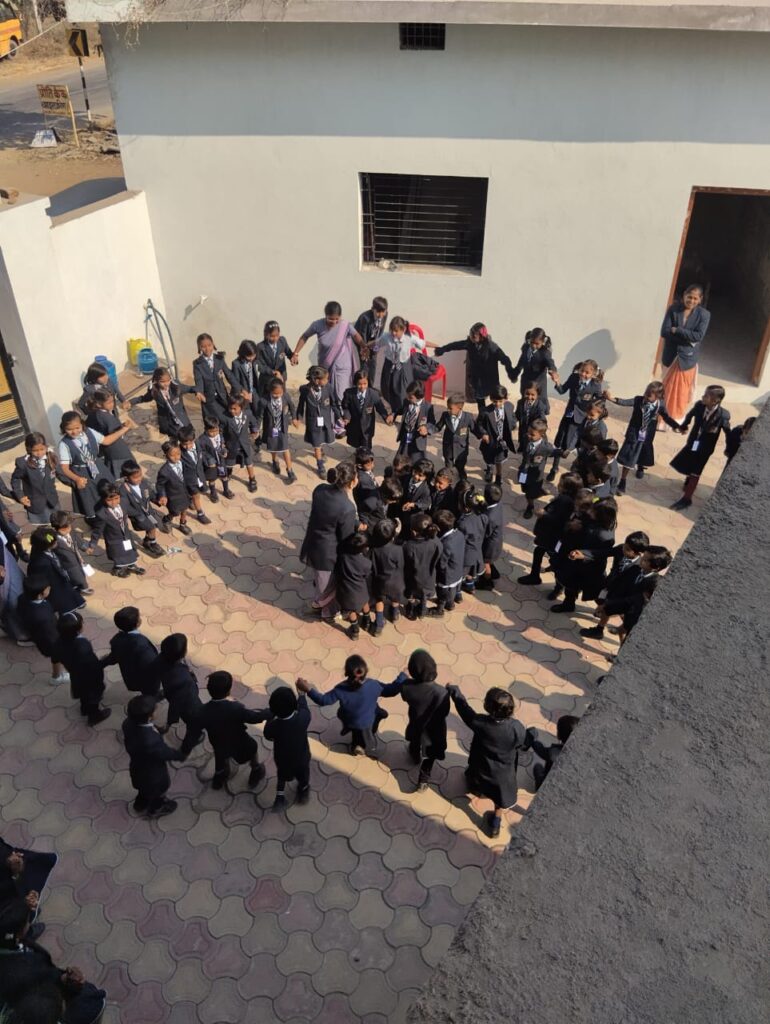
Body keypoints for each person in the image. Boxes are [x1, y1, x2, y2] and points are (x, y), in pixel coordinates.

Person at [0, 898, 106, 1024]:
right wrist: (65, 982)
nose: (29, 924)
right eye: (27, 923)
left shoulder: (12, 947)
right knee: (91, 1002)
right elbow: (44, 986)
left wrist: (63, 978)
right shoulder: (24, 972)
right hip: (44, 1003)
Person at [446, 684, 528, 838]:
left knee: (473, 776)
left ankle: (476, 788)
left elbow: (465, 710)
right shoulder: (516, 728)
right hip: (503, 775)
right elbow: (522, 743)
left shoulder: (480, 722)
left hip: (481, 766)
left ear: (488, 707)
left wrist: (455, 691)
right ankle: (495, 824)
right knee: (499, 799)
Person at [297, 655, 402, 757]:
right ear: (365, 671)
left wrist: (308, 689)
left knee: (357, 732)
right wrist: (403, 676)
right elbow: (392, 690)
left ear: (346, 673)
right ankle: (369, 749)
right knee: (368, 737)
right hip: (366, 721)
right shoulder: (374, 685)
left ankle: (355, 744)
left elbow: (323, 700)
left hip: (350, 720)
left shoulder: (340, 689)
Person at [182, 671, 269, 788]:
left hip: (219, 743)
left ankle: (219, 778)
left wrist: (185, 749)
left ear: (209, 690)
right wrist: (269, 712)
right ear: (228, 691)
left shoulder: (202, 711)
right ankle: (256, 770)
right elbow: (255, 718)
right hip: (240, 741)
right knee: (252, 748)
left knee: (221, 758)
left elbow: (193, 731)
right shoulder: (236, 708)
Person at [300, 461, 359, 620]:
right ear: (352, 482)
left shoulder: (319, 489)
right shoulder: (347, 507)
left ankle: (323, 607)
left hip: (314, 542)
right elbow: (345, 537)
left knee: (321, 581)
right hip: (329, 554)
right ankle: (326, 612)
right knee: (327, 586)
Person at [604, 381, 680, 493]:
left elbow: (666, 417)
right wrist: (611, 399)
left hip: (647, 436)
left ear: (658, 396)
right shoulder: (638, 400)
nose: (646, 396)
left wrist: (676, 426)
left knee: (643, 452)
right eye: (646, 392)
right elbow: (624, 402)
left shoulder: (660, 405)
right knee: (629, 457)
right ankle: (623, 481)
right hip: (634, 434)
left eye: (650, 394)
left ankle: (640, 466)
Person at [393, 650, 450, 792]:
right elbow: (444, 712)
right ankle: (423, 781)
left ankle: (414, 756)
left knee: (414, 742)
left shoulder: (407, 686)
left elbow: (404, 695)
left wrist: (403, 676)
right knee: (429, 757)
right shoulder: (442, 692)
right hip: (434, 732)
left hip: (416, 725)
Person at [551, 497, 617, 614]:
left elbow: (601, 553)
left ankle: (606, 610)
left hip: (589, 568)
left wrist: (583, 555)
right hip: (575, 564)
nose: (589, 512)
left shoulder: (605, 536)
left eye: (593, 511)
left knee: (596, 593)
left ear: (602, 516)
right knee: (570, 586)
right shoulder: (594, 520)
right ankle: (568, 604)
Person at [669, 384, 731, 510]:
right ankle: (688, 479)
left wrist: (729, 448)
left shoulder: (723, 415)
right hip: (694, 442)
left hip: (705, 449)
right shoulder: (699, 406)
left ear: (715, 400)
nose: (703, 397)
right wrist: (684, 426)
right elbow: (690, 415)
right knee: (690, 460)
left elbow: (728, 432)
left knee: (696, 471)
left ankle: (687, 499)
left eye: (706, 396)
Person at [122, 695, 183, 817]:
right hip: (153, 775)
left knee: (143, 789)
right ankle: (157, 808)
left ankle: (140, 804)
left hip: (137, 768)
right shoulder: (150, 741)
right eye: (155, 710)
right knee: (157, 793)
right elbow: (164, 752)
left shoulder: (127, 723)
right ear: (150, 716)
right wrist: (179, 755)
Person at [517, 472, 583, 586]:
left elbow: (558, 520)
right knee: (541, 551)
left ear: (566, 488)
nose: (558, 485)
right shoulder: (571, 499)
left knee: (552, 555)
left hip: (552, 535)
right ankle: (536, 575)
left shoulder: (564, 500)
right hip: (554, 535)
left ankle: (549, 580)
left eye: (560, 483)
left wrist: (543, 515)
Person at [293, 301, 365, 403]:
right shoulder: (317, 325)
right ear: (325, 315)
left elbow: (356, 336)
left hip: (342, 368)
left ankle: (341, 412)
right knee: (325, 396)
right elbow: (305, 336)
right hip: (324, 368)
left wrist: (363, 346)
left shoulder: (345, 326)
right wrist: (296, 353)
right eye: (331, 319)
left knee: (341, 395)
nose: (334, 322)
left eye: (337, 319)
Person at [434, 322, 516, 413]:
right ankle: (482, 416)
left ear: (482, 336)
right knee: (480, 401)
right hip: (478, 380)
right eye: (471, 334)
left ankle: (499, 416)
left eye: (474, 335)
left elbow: (505, 359)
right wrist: (442, 349)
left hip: (491, 379)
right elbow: (455, 345)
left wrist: (511, 372)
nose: (472, 336)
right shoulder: (470, 344)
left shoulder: (491, 346)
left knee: (497, 398)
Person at [659, 284, 711, 421]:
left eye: (695, 298)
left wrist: (678, 330)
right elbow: (665, 332)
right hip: (670, 356)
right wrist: (688, 340)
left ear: (700, 299)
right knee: (665, 390)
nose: (691, 301)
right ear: (684, 296)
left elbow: (698, 336)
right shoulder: (673, 309)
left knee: (681, 392)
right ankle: (661, 420)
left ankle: (676, 419)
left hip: (687, 359)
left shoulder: (704, 315)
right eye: (689, 297)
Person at [547, 359, 604, 480]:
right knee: (560, 440)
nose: (583, 374)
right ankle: (554, 468)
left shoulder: (595, 384)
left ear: (593, 374)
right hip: (569, 414)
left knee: (576, 443)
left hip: (582, 418)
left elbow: (600, 401)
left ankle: (578, 469)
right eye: (582, 371)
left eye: (587, 372)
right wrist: (557, 382)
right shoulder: (574, 377)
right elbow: (562, 390)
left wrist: (593, 410)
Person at [51, 612, 110, 725]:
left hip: (75, 675)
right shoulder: (83, 645)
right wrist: (104, 661)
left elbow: (55, 658)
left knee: (84, 694)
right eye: (82, 622)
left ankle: (84, 709)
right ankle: (94, 716)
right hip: (89, 677)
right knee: (93, 696)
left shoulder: (58, 642)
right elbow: (93, 665)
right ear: (78, 629)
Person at [56, 412, 114, 527]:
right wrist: (77, 479)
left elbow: (106, 440)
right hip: (82, 473)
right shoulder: (64, 444)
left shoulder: (89, 432)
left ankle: (110, 514)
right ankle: (95, 522)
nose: (74, 432)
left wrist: (123, 429)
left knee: (106, 491)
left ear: (82, 424)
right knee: (90, 499)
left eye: (77, 428)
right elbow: (64, 468)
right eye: (69, 429)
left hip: (98, 467)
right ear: (63, 429)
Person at [264, 686, 312, 811]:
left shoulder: (273, 726)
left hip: (282, 759)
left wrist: (270, 717)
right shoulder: (302, 719)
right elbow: (304, 709)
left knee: (282, 774)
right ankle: (303, 790)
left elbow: (267, 735)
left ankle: (279, 797)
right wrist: (301, 695)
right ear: (294, 706)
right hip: (301, 758)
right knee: (303, 775)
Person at [86, 483, 146, 579]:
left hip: (126, 536)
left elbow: (130, 510)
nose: (114, 502)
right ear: (103, 500)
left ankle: (131, 565)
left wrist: (140, 514)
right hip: (114, 540)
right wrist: (92, 544)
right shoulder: (102, 514)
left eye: (116, 498)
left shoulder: (124, 502)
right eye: (109, 500)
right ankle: (117, 569)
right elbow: (97, 530)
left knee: (129, 552)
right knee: (119, 555)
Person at [17, 577, 69, 685]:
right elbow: (51, 635)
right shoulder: (43, 617)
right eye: (47, 589)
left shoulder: (22, 598)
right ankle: (56, 677)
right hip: (49, 640)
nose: (49, 588)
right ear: (40, 595)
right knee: (57, 656)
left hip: (35, 632)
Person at [154, 633, 203, 740]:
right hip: (188, 704)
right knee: (194, 722)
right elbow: (176, 704)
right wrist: (171, 720)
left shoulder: (160, 659)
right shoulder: (184, 681)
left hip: (171, 688)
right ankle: (194, 738)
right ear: (183, 653)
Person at [102, 606, 160, 696]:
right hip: (147, 679)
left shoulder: (116, 640)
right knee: (150, 692)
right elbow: (152, 663)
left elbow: (114, 656)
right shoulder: (142, 646)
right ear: (137, 623)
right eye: (139, 617)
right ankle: (150, 699)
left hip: (132, 677)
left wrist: (102, 663)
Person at [295, 366, 341, 479]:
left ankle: (321, 451)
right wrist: (298, 418)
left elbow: (334, 403)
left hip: (325, 420)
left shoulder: (328, 388)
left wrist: (339, 417)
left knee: (322, 439)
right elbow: (301, 405)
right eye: (325, 379)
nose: (327, 380)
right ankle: (320, 465)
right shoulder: (305, 390)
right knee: (316, 443)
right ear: (316, 380)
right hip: (313, 421)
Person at [28, 527, 85, 615]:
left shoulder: (40, 549)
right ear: (46, 546)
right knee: (65, 606)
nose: (57, 542)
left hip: (60, 580)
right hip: (54, 587)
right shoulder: (41, 563)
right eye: (54, 542)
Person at [132, 366, 202, 437]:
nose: (166, 383)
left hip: (181, 417)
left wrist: (197, 391)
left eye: (168, 380)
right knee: (173, 436)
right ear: (156, 381)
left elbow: (189, 388)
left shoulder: (176, 387)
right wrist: (131, 402)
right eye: (162, 381)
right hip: (167, 421)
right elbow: (144, 398)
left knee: (189, 435)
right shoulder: (154, 391)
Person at [117, 460, 167, 555]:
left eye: (140, 475)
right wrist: (137, 513)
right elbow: (125, 507)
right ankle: (152, 543)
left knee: (153, 525)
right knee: (152, 527)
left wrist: (157, 500)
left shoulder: (143, 483)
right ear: (126, 478)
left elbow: (150, 494)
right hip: (138, 516)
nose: (139, 479)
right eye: (135, 477)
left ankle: (148, 540)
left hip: (149, 511)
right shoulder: (123, 490)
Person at [377, 316, 426, 411]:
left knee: (403, 389)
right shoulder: (386, 337)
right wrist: (367, 347)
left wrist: (438, 347)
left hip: (403, 367)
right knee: (389, 387)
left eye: (396, 331)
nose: (393, 333)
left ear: (403, 329)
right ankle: (393, 408)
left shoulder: (409, 338)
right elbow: (377, 344)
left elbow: (423, 344)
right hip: (389, 365)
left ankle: (404, 408)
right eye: (392, 330)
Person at [84, 389, 136, 478]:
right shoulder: (105, 417)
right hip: (117, 452)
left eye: (113, 401)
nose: (112, 404)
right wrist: (125, 428)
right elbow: (109, 438)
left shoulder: (96, 413)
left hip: (110, 453)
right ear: (99, 404)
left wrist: (121, 426)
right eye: (109, 402)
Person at [11, 433, 60, 525]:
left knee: (57, 523)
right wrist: (20, 496)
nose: (39, 453)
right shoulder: (23, 464)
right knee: (44, 528)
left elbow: (60, 474)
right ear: (29, 449)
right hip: (35, 504)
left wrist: (74, 482)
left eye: (42, 449)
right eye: (35, 450)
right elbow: (15, 479)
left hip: (52, 501)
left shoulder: (51, 458)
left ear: (46, 447)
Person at [256, 378, 297, 484]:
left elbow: (292, 407)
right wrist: (256, 429)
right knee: (273, 446)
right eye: (275, 394)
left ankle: (290, 471)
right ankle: (275, 461)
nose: (278, 395)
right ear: (270, 391)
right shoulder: (264, 400)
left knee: (285, 448)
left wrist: (294, 418)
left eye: (280, 393)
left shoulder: (286, 396)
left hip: (282, 427)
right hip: (271, 428)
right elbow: (259, 416)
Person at [341, 369, 392, 452]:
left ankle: (366, 455)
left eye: (365, 384)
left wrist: (386, 416)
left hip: (367, 425)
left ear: (368, 382)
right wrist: (347, 417)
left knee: (367, 443)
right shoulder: (349, 393)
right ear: (355, 383)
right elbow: (345, 407)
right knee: (356, 442)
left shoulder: (373, 394)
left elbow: (380, 407)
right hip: (355, 424)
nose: (362, 387)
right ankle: (358, 452)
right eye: (359, 384)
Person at [193, 332, 239, 425]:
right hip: (208, 398)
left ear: (213, 344)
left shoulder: (219, 359)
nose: (207, 349)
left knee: (227, 419)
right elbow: (198, 380)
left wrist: (239, 389)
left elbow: (229, 375)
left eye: (209, 345)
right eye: (203, 346)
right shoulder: (197, 363)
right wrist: (199, 391)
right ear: (199, 347)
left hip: (222, 395)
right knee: (212, 423)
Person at [369, 517, 405, 633]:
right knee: (395, 598)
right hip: (396, 582)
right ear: (393, 535)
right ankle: (394, 615)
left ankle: (379, 624)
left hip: (380, 581)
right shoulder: (398, 550)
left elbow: (372, 566)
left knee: (379, 600)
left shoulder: (373, 550)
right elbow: (401, 566)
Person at [403, 512, 441, 621]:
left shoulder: (409, 546)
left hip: (414, 579)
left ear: (414, 532)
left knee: (411, 595)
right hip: (429, 577)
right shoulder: (436, 541)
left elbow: (406, 563)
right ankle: (422, 611)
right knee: (424, 596)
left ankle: (411, 611)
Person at [517, 418, 557, 519]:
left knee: (529, 495)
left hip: (535, 476)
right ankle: (539, 491)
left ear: (541, 435)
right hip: (524, 471)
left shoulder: (546, 447)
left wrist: (563, 453)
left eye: (532, 434)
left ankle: (530, 507)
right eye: (528, 432)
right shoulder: (526, 438)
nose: (528, 435)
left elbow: (555, 452)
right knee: (524, 488)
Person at [476, 384, 516, 485]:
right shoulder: (485, 411)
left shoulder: (509, 407)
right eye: (495, 401)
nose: (497, 404)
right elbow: (479, 424)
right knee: (489, 458)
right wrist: (483, 434)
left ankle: (498, 476)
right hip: (490, 441)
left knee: (499, 460)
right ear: (491, 399)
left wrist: (512, 425)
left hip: (502, 441)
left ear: (506, 398)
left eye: (500, 401)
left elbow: (513, 417)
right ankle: (489, 470)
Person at [336, 532, 373, 640]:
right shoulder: (366, 563)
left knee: (351, 611)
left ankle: (355, 630)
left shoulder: (343, 557)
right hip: (361, 590)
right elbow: (366, 575)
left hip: (347, 591)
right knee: (365, 603)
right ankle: (367, 621)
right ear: (364, 548)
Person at [510, 328, 558, 410]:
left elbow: (550, 363)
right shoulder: (525, 348)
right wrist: (516, 373)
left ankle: (541, 416)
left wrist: (553, 372)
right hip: (526, 380)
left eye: (537, 344)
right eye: (532, 342)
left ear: (542, 342)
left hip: (538, 382)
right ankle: (525, 413)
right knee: (525, 398)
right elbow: (521, 362)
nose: (533, 346)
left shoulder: (545, 352)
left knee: (540, 401)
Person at [527, 715, 578, 789]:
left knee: (537, 767)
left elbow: (541, 750)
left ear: (559, 735)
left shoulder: (554, 752)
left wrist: (533, 741)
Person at [49, 511, 93, 597]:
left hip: (78, 559)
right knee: (76, 577)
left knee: (80, 575)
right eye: (64, 529)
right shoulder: (54, 541)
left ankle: (80, 587)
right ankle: (83, 589)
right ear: (58, 529)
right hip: (68, 565)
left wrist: (85, 548)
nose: (68, 530)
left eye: (69, 527)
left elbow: (77, 540)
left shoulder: (71, 532)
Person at [430, 509, 465, 616]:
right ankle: (450, 602)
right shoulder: (459, 534)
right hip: (457, 570)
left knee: (443, 592)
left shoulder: (445, 544)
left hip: (447, 576)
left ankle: (441, 609)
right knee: (453, 589)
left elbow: (441, 564)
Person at [155, 442, 195, 535]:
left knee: (185, 509)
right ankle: (167, 519)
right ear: (166, 455)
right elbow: (160, 485)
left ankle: (182, 524)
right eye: (172, 455)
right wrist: (162, 496)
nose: (176, 457)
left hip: (185, 493)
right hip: (173, 497)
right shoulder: (164, 471)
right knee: (175, 512)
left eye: (178, 454)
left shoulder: (182, 462)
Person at [222, 395, 259, 493]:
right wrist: (222, 442)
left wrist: (255, 431)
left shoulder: (248, 414)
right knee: (229, 462)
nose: (232, 411)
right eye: (230, 408)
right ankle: (228, 473)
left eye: (235, 409)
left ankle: (252, 479)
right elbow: (221, 430)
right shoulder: (225, 417)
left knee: (249, 462)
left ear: (241, 408)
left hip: (245, 444)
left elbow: (254, 423)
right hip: (231, 445)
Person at [176, 426, 213, 524]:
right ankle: (200, 514)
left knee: (196, 493)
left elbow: (203, 454)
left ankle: (191, 500)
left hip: (200, 476)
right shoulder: (178, 452)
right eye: (184, 444)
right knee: (196, 495)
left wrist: (207, 462)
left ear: (194, 439)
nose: (187, 447)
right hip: (189, 480)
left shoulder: (198, 444)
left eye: (190, 443)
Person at [436, 394, 476, 480]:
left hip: (461, 448)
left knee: (460, 465)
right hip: (448, 446)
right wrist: (428, 429)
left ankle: (462, 476)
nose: (448, 410)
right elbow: (438, 426)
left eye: (450, 408)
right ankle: (448, 479)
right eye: (448, 408)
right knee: (448, 465)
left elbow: (475, 429)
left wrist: (483, 434)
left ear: (459, 408)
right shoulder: (445, 415)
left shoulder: (468, 417)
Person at [394, 381, 436, 464]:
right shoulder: (407, 402)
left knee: (417, 462)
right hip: (406, 436)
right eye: (407, 396)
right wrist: (393, 415)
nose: (408, 398)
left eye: (410, 397)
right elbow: (400, 410)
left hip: (417, 440)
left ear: (419, 396)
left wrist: (426, 428)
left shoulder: (428, 407)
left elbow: (432, 423)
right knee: (400, 461)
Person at [457, 488, 488, 595]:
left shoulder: (463, 524)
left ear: (465, 508)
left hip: (466, 556)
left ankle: (457, 594)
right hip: (477, 552)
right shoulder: (483, 516)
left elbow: (461, 541)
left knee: (460, 575)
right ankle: (471, 588)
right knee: (471, 574)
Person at [255, 320, 294, 399]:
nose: (275, 338)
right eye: (272, 336)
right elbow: (259, 366)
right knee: (266, 400)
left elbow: (289, 352)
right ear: (266, 334)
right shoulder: (260, 347)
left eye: (277, 335)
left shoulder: (282, 341)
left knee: (281, 399)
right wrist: (273, 372)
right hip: (267, 380)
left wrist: (293, 358)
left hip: (281, 378)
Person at [354, 296, 389, 383]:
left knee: (373, 358)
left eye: (383, 312)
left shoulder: (385, 315)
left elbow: (380, 331)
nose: (381, 315)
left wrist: (376, 348)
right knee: (365, 360)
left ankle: (371, 385)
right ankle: (363, 384)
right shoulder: (365, 318)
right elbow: (362, 336)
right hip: (361, 340)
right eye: (378, 312)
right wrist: (365, 349)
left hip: (374, 339)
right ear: (373, 309)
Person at [198, 418, 233, 502]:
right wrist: (209, 460)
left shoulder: (220, 435)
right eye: (211, 431)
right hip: (211, 464)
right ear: (206, 430)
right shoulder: (202, 439)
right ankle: (213, 492)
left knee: (224, 476)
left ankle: (226, 490)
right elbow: (202, 452)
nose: (214, 433)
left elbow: (223, 445)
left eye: (216, 431)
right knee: (212, 478)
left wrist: (224, 451)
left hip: (220, 461)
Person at [397, 458, 433, 538]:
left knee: (410, 529)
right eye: (415, 472)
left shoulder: (426, 489)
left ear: (426, 477)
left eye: (420, 475)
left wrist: (414, 504)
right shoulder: (406, 477)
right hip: (402, 509)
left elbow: (426, 503)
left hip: (414, 515)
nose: (416, 476)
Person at [477, 482, 503, 590]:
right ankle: (494, 573)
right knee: (489, 561)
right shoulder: (499, 503)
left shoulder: (490, 518)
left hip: (489, 547)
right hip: (496, 542)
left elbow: (485, 533)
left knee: (485, 562)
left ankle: (487, 582)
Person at [515, 383, 550, 453]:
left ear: (538, 395)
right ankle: (522, 446)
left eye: (533, 395)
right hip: (523, 426)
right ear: (523, 392)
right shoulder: (520, 402)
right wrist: (512, 420)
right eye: (527, 394)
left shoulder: (540, 405)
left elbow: (542, 420)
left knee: (533, 442)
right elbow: (517, 414)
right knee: (523, 437)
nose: (529, 397)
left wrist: (536, 427)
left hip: (534, 428)